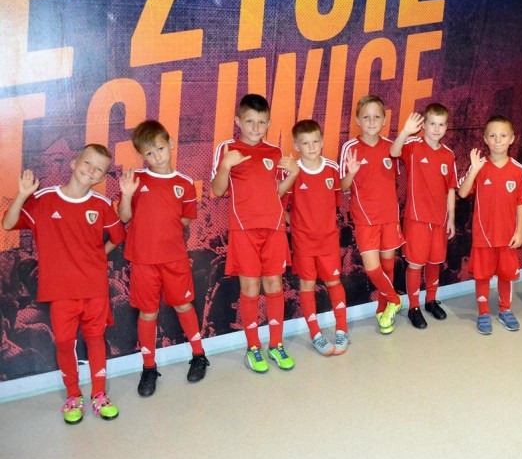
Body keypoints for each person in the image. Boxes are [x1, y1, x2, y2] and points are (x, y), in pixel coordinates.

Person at [2, 144, 126, 424]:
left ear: (102, 177)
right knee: (64, 342)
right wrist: (22, 195)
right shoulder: (44, 199)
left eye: (99, 169)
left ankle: (99, 395)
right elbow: (8, 224)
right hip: (60, 291)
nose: (91, 171)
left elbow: (118, 237)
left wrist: (98, 257)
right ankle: (73, 396)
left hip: (94, 288)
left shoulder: (101, 205)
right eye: (88, 163)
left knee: (95, 339)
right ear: (74, 163)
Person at [117, 120, 209, 397]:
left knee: (183, 305)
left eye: (160, 148)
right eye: (149, 153)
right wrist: (126, 195)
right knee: (148, 312)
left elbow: (185, 219)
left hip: (174, 259)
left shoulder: (185, 183)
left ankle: (199, 355)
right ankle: (148, 367)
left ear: (170, 144)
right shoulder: (136, 180)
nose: (156, 156)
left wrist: (164, 234)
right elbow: (124, 217)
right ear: (141, 155)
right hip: (143, 260)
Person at [211, 94, 300, 372]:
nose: (255, 128)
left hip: (274, 228)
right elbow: (217, 191)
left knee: (274, 285)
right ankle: (253, 348)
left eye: (262, 122)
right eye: (249, 121)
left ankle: (276, 344)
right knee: (250, 288)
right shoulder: (227, 148)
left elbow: (276, 192)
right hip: (244, 230)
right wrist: (225, 165)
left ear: (269, 124)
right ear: (238, 121)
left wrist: (293, 175)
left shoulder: (274, 152)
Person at [458, 116, 522, 334]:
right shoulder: (479, 166)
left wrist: (519, 232)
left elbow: (521, 203)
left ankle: (505, 310)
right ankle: (483, 313)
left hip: (507, 237)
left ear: (512, 139)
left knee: (506, 275)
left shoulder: (518, 170)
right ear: (485, 139)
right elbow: (462, 192)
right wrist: (474, 170)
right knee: (482, 275)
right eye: (493, 136)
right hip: (483, 236)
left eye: (503, 136)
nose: (498, 140)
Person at [339, 95, 404, 334]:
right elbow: (343, 187)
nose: (372, 121)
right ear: (357, 120)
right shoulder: (350, 148)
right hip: (365, 219)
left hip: (389, 218)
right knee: (372, 268)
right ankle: (395, 299)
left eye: (377, 116)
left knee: (387, 268)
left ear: (385, 120)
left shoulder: (391, 147)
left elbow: (395, 179)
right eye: (366, 117)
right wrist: (351, 173)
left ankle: (383, 309)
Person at [285, 119, 350, 355]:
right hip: (303, 243)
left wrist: (352, 173)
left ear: (322, 142)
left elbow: (336, 200)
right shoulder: (292, 171)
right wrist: (299, 226)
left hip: (328, 240)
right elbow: (281, 207)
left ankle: (342, 329)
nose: (311, 147)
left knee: (334, 282)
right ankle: (316, 334)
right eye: (305, 143)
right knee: (307, 285)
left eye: (315, 141)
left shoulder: (331, 168)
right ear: (296, 146)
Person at [390, 103, 457, 329]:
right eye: (432, 124)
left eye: (441, 124)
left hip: (439, 220)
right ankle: (413, 307)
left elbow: (450, 189)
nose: (436, 129)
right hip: (417, 219)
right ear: (424, 126)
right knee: (415, 264)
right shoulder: (413, 145)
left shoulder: (448, 155)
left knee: (435, 262)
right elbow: (394, 152)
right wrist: (405, 132)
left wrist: (451, 219)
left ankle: (431, 300)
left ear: (446, 127)